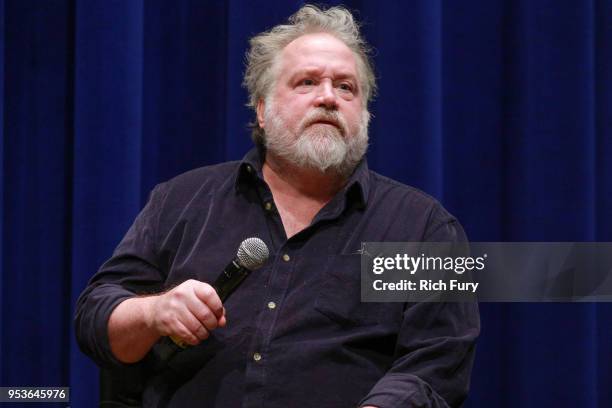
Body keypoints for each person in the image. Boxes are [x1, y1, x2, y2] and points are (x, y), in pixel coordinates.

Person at [75, 5, 479, 407]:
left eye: (346, 87)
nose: (328, 98)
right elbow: (94, 319)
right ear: (263, 111)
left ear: (365, 114)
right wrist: (153, 312)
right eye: (306, 82)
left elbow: (436, 365)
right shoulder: (182, 200)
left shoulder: (423, 228)